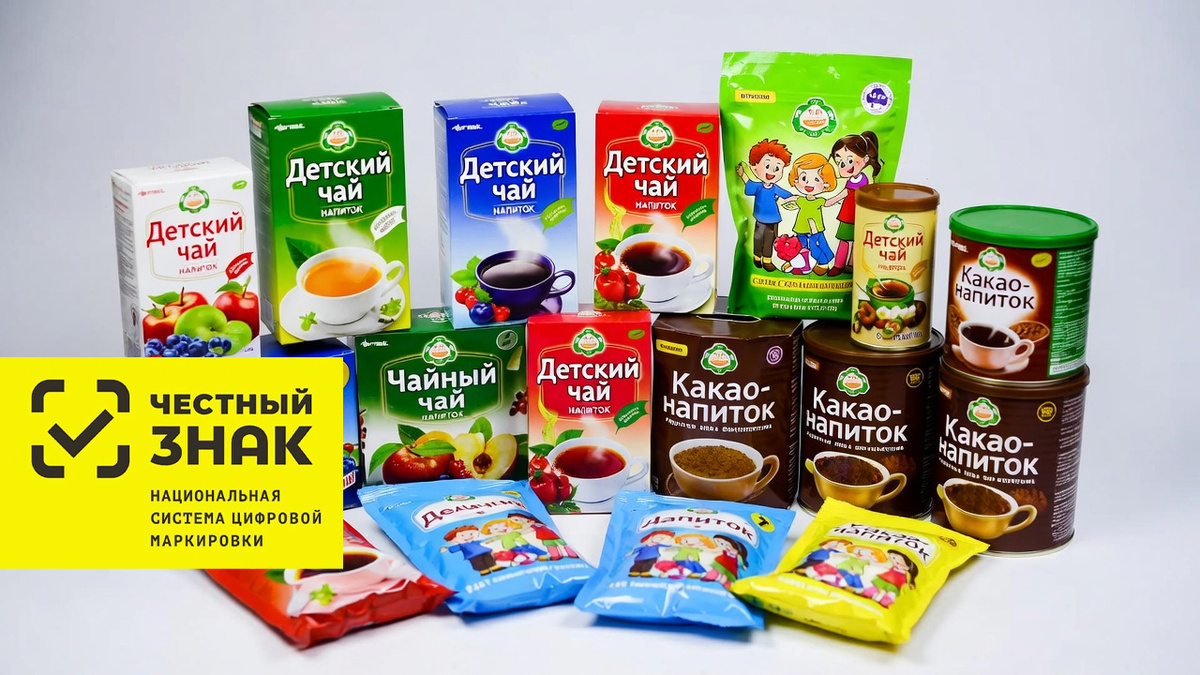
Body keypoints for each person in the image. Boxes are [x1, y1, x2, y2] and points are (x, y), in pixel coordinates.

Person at [818, 131, 883, 277]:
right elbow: (845, 193)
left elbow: (853, 194)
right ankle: (839, 265)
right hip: (847, 215)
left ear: (865, 159)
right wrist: (831, 201)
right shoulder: (851, 180)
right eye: (840, 162)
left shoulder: (864, 179)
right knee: (844, 240)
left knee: (857, 241)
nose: (844, 165)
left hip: (859, 215)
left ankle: (852, 265)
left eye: (849, 160)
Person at [735, 139, 796, 271]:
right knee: (758, 238)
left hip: (773, 220)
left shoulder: (775, 188)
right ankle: (757, 257)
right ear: (754, 167)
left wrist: (798, 199)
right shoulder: (758, 187)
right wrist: (742, 174)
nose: (771, 172)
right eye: (767, 166)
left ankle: (767, 260)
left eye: (777, 168)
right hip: (760, 218)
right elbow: (748, 184)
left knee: (770, 239)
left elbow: (788, 196)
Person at [785, 152, 838, 273]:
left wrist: (843, 195)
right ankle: (800, 264)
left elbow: (829, 202)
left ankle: (824, 264)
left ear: (826, 183)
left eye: (817, 179)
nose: (809, 184)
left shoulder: (819, 201)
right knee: (800, 247)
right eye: (804, 178)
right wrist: (782, 199)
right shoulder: (801, 200)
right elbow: (792, 198)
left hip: (816, 229)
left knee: (819, 246)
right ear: (796, 179)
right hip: (801, 228)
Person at [507, 512, 577, 561]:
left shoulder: (537, 523)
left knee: (561, 544)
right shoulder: (534, 525)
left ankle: (570, 554)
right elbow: (527, 530)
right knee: (552, 546)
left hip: (552, 535)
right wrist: (518, 532)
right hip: (546, 537)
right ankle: (556, 556)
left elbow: (527, 529)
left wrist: (520, 532)